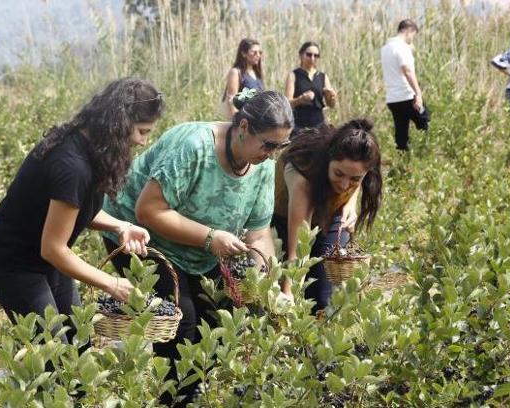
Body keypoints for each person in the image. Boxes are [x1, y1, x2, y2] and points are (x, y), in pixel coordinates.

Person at [102, 89, 293, 406]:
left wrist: (270, 287)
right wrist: (210, 237)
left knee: (219, 317)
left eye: (280, 146)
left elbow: (258, 236)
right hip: (140, 235)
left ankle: (193, 394)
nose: (272, 154)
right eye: (268, 144)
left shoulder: (260, 168)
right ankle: (173, 400)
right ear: (243, 127)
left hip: (203, 247)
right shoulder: (195, 147)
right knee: (182, 321)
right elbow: (148, 211)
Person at [0, 78, 164, 345]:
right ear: (119, 124)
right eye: (142, 132)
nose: (143, 142)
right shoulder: (72, 165)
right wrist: (111, 284)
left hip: (44, 260)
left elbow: (73, 207)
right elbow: (53, 248)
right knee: (53, 355)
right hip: (13, 265)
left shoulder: (90, 147)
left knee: (79, 340)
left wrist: (119, 226)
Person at [271, 118, 382, 313]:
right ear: (328, 160)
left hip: (330, 214)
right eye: (338, 174)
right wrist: (287, 293)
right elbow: (298, 248)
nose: (344, 185)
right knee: (285, 283)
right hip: (285, 216)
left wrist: (349, 203)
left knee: (323, 298)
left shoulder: (358, 167)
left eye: (355, 179)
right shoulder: (303, 176)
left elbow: (352, 179)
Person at [381, 19, 423, 151]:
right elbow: (407, 71)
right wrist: (418, 93)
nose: (412, 38)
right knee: (427, 125)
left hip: (393, 99)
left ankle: (403, 166)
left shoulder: (385, 48)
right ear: (408, 31)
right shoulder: (402, 47)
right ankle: (425, 159)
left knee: (401, 137)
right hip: (407, 96)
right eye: (412, 35)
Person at [284, 41, 337, 136]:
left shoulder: (322, 76)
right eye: (309, 55)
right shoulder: (294, 75)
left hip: (318, 125)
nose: (312, 58)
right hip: (299, 126)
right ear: (301, 55)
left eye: (316, 56)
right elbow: (287, 103)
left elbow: (331, 105)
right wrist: (301, 99)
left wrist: (332, 97)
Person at [221, 38, 265, 119]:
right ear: (243, 54)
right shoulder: (236, 73)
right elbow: (232, 101)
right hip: (243, 120)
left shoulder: (257, 74)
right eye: (254, 52)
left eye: (260, 52)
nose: (258, 55)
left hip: (257, 120)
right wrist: (237, 123)